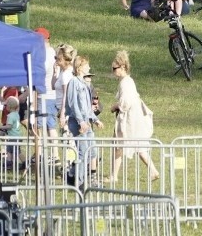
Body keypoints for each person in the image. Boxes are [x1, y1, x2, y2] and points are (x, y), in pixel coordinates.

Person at [105, 50, 159, 183]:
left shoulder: (126, 82)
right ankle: (152, 170)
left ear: (122, 67)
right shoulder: (126, 81)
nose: (113, 71)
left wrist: (115, 106)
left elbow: (126, 103)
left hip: (130, 120)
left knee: (121, 145)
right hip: (132, 119)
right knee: (132, 146)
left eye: (114, 68)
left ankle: (114, 175)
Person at [65, 55, 103, 187]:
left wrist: (95, 119)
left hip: (87, 121)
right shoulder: (74, 82)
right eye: (87, 66)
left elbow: (87, 107)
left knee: (92, 151)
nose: (89, 68)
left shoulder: (84, 84)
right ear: (80, 67)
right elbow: (73, 104)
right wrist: (81, 121)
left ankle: (83, 178)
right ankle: (79, 182)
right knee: (83, 152)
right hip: (77, 122)